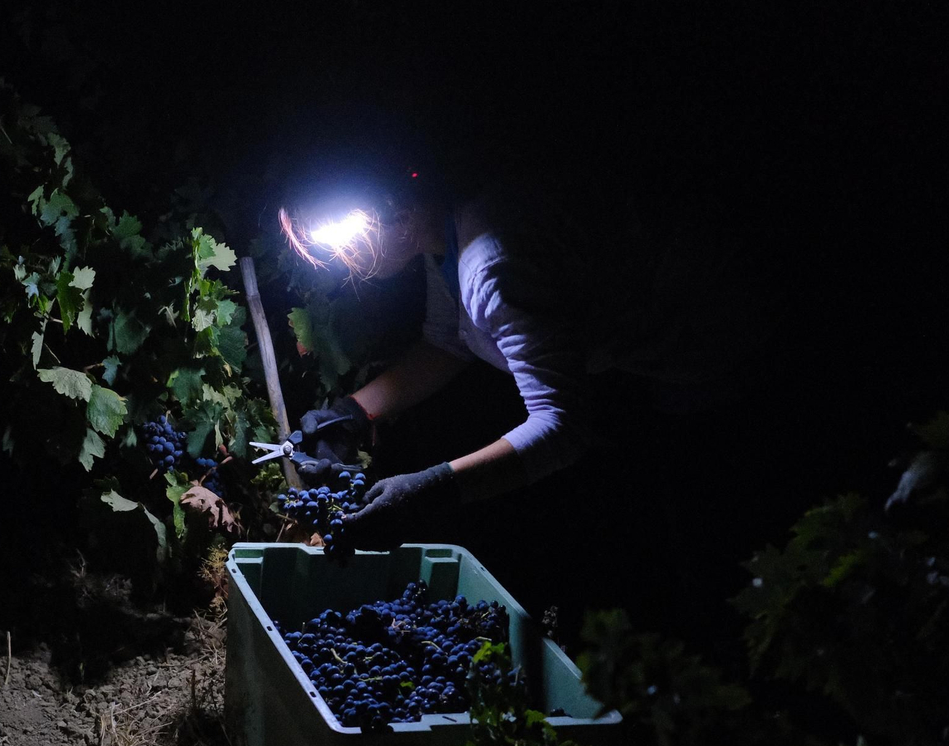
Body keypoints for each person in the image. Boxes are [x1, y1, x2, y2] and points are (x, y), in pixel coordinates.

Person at [281, 164, 774, 561]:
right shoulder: (448, 235)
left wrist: (430, 491)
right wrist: (353, 411)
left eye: (352, 235)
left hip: (713, 341)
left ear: (399, 211)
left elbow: (561, 426)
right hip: (661, 343)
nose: (346, 255)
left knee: (714, 525)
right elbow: (448, 342)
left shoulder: (491, 267)